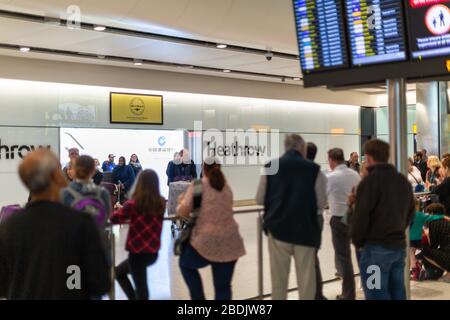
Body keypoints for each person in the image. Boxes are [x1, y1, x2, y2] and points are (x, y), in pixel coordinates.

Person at [0, 149, 110, 299]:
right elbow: (100, 283)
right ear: (55, 176)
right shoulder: (80, 224)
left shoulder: (9, 226)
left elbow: (4, 285)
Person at [256, 134, 327, 300]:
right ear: (302, 148)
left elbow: (259, 198)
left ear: (285, 147)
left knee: (279, 283)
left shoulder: (270, 166)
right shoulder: (314, 169)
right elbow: (321, 202)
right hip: (305, 231)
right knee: (306, 282)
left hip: (278, 230)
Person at [351, 139, 415, 300]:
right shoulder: (402, 181)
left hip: (374, 251)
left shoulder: (369, 182)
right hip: (398, 248)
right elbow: (411, 213)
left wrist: (358, 243)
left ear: (369, 157)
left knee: (376, 294)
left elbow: (360, 217)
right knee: (398, 293)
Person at [177, 158, 245, 300]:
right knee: (223, 287)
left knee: (185, 264)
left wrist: (181, 201)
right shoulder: (226, 187)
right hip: (231, 242)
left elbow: (182, 211)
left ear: (203, 169)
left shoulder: (198, 185)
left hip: (205, 242)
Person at [110, 170, 166, 300]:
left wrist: (119, 208)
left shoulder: (132, 204)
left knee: (138, 285)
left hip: (136, 253)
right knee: (125, 275)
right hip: (153, 252)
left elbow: (114, 219)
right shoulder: (161, 202)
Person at [326, 148, 361, 300]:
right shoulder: (355, 175)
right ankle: (371, 287)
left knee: (343, 257)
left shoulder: (331, 177)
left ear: (332, 160)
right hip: (356, 218)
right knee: (361, 254)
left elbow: (321, 198)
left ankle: (349, 294)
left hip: (339, 220)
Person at [61, 155, 112, 229]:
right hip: (96, 237)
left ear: (75, 170)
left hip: (73, 238)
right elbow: (106, 218)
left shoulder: (65, 193)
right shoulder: (103, 193)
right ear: (94, 171)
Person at [306, 142, 326, 301]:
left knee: (309, 257)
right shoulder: (320, 173)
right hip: (318, 217)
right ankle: (316, 292)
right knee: (312, 256)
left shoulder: (307, 173)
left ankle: (316, 294)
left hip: (309, 218)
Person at [409, 202, 445, 281]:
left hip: (409, 239)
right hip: (417, 240)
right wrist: (443, 216)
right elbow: (433, 217)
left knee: (411, 255)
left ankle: (415, 271)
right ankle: (416, 267)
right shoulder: (420, 215)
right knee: (413, 254)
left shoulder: (406, 215)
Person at [420, 203, 450, 283]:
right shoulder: (447, 220)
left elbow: (433, 245)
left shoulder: (434, 222)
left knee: (425, 251)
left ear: (432, 213)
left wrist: (427, 234)